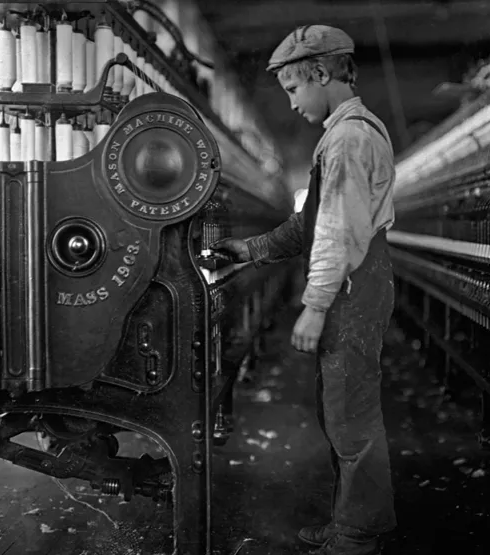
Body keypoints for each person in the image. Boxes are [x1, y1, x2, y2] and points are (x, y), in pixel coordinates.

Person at [211, 24, 397, 555]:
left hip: (353, 284)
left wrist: (314, 307)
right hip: (356, 278)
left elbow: (336, 232)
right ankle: (351, 520)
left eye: (294, 89)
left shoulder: (349, 139)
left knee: (350, 410)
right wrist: (249, 250)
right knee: (338, 407)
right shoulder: (339, 135)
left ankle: (359, 535)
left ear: (321, 73)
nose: (291, 104)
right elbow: (306, 227)